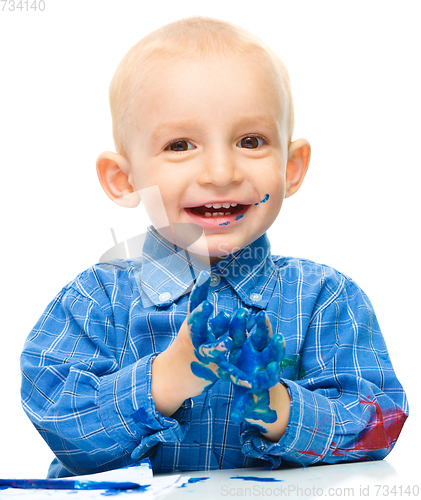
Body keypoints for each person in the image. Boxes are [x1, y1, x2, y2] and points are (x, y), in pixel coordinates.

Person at [20, 16, 408, 478]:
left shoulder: (326, 298)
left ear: (292, 167)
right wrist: (163, 381)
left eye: (251, 141)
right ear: (123, 180)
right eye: (180, 145)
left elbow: (378, 426)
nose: (221, 172)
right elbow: (57, 419)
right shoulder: (95, 301)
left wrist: (276, 404)